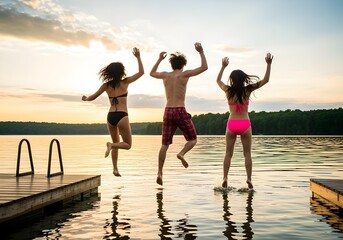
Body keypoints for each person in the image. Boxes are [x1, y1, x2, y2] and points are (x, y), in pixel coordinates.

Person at [150, 42, 208, 185]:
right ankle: (181, 153)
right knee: (193, 139)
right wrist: (201, 52)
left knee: (164, 144)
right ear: (183, 65)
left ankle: (159, 172)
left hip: (168, 111)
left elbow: (151, 73)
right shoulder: (185, 74)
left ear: (172, 65)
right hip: (180, 110)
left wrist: (159, 59)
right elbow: (204, 67)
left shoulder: (165, 76)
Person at [82, 47, 144, 177]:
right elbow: (141, 72)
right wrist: (138, 57)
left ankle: (115, 169)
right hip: (122, 115)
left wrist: (86, 99)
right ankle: (110, 146)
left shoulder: (106, 86)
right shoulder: (125, 82)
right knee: (127, 145)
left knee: (116, 143)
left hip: (110, 117)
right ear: (121, 72)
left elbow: (93, 97)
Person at [216, 53, 273, 189]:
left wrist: (223, 67)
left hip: (232, 124)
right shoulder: (248, 89)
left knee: (228, 154)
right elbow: (265, 80)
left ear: (232, 80)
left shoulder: (228, 90)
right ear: (243, 79)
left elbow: (218, 81)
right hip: (245, 124)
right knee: (247, 154)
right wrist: (268, 64)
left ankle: (225, 177)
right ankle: (249, 179)